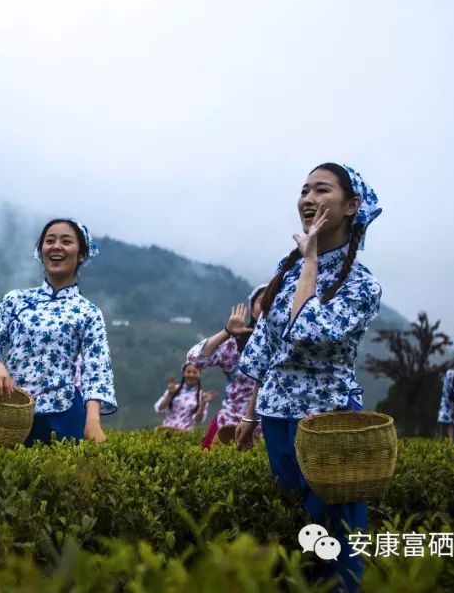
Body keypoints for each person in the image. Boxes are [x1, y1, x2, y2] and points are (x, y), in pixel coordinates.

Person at [235, 163, 382, 592]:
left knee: (335, 533)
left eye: (322, 189)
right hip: (278, 417)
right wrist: (250, 416)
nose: (308, 199)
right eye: (304, 190)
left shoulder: (361, 284)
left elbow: (309, 332)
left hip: (329, 420)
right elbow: (266, 349)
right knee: (295, 528)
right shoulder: (289, 273)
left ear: (352, 206)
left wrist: (311, 258)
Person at [0, 218, 117, 444]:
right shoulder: (16, 300)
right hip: (13, 412)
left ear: (81, 254)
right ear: (40, 252)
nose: (56, 246)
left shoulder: (88, 312)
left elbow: (97, 370)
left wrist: (93, 420)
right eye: (49, 241)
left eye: (66, 241)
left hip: (65, 415)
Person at [187, 285, 268, 449]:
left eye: (273, 300)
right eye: (262, 301)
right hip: (229, 426)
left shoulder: (290, 343)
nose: (268, 305)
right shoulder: (235, 344)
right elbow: (195, 359)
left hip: (271, 429)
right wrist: (227, 332)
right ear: (251, 309)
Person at [154, 362, 214, 431]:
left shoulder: (202, 396)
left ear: (199, 375)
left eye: (195, 372)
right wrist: (169, 395)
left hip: (185, 434)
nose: (191, 375)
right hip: (166, 431)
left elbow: (198, 420)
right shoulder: (174, 389)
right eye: (188, 372)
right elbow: (159, 408)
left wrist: (203, 404)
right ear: (183, 373)